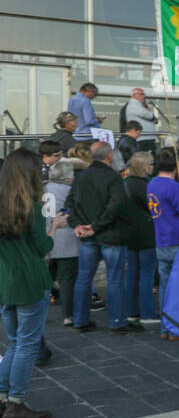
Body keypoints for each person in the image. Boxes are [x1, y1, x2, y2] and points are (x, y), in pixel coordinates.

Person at [0, 149, 58, 418]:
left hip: (5, 281)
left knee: (14, 343)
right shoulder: (31, 208)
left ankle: (2, 398)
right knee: (27, 345)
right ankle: (16, 404)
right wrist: (54, 227)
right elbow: (41, 248)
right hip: (31, 282)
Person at [68, 141, 135, 334]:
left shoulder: (81, 176)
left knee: (83, 279)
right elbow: (115, 206)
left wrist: (78, 225)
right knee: (115, 280)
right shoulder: (112, 177)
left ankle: (80, 319)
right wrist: (95, 226)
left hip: (89, 235)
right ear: (109, 156)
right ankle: (117, 321)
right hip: (110, 234)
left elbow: (71, 202)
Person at [148, 148, 179, 337]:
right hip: (177, 239)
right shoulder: (174, 187)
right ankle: (176, 328)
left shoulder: (152, 184)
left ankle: (166, 327)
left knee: (165, 286)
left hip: (161, 239)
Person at [121, 152, 158, 325]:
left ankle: (131, 311)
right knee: (146, 275)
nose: (152, 167)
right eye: (150, 164)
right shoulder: (145, 185)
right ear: (143, 166)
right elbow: (153, 207)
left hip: (129, 233)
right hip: (146, 232)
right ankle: (147, 312)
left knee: (132, 274)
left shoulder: (126, 183)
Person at [44, 158, 82, 328]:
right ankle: (68, 315)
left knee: (45, 280)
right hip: (67, 241)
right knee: (67, 281)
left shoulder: (42, 189)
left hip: (46, 238)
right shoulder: (70, 191)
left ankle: (40, 312)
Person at [123, 88, 157, 154]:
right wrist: (152, 115)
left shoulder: (139, 104)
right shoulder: (134, 104)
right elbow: (146, 114)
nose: (143, 96)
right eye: (141, 94)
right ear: (133, 95)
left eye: (144, 94)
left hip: (146, 137)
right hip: (143, 138)